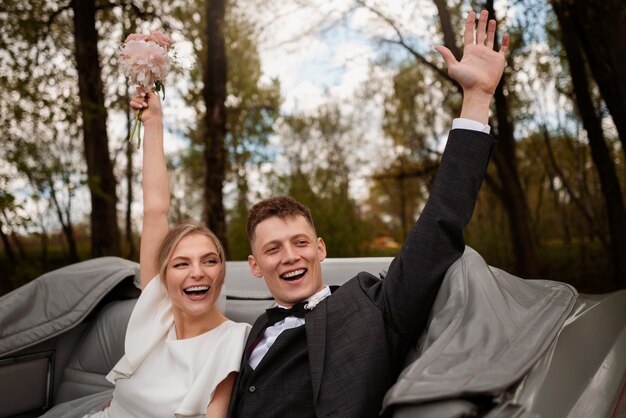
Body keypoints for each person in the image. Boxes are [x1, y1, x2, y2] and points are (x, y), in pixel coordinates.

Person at [227, 10, 509, 418]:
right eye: (273, 249)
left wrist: (478, 99)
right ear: (255, 266)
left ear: (320, 249)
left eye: (300, 242)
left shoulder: (369, 306)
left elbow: (438, 225)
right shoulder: (255, 331)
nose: (290, 256)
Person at [84, 88, 250, 417]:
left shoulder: (234, 340)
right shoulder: (157, 310)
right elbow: (154, 211)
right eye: (181, 263)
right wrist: (154, 123)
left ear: (221, 272)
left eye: (209, 260)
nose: (197, 272)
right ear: (164, 276)